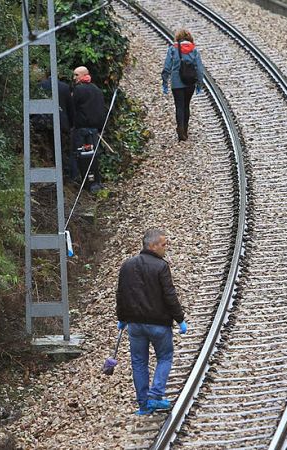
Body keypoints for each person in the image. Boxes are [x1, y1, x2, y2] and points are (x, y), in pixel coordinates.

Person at [116, 229, 188, 415]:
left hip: (135, 325)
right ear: (152, 246)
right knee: (165, 357)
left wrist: (122, 319)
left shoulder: (127, 266)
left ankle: (143, 405)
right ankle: (155, 395)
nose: (165, 248)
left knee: (139, 363)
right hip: (158, 325)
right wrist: (180, 319)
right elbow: (169, 296)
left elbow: (121, 295)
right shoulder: (161, 266)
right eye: (163, 244)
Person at [161, 29, 205, 142]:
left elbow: (167, 67)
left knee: (179, 106)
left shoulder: (172, 49)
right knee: (186, 105)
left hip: (176, 83)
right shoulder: (194, 50)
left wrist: (165, 82)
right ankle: (185, 130)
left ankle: (180, 128)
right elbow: (199, 69)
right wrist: (199, 83)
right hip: (190, 82)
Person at [71, 66, 107, 193]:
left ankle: (81, 181)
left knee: (79, 155)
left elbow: (72, 108)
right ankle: (95, 181)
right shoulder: (97, 90)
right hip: (94, 130)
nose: (74, 78)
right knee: (93, 157)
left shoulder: (78, 90)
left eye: (76, 75)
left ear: (83, 75)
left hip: (81, 129)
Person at [38, 71, 74, 176]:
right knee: (61, 149)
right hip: (61, 122)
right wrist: (71, 123)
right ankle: (63, 173)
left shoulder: (41, 85)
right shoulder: (65, 87)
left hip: (43, 122)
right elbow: (70, 107)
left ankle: (47, 171)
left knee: (46, 148)